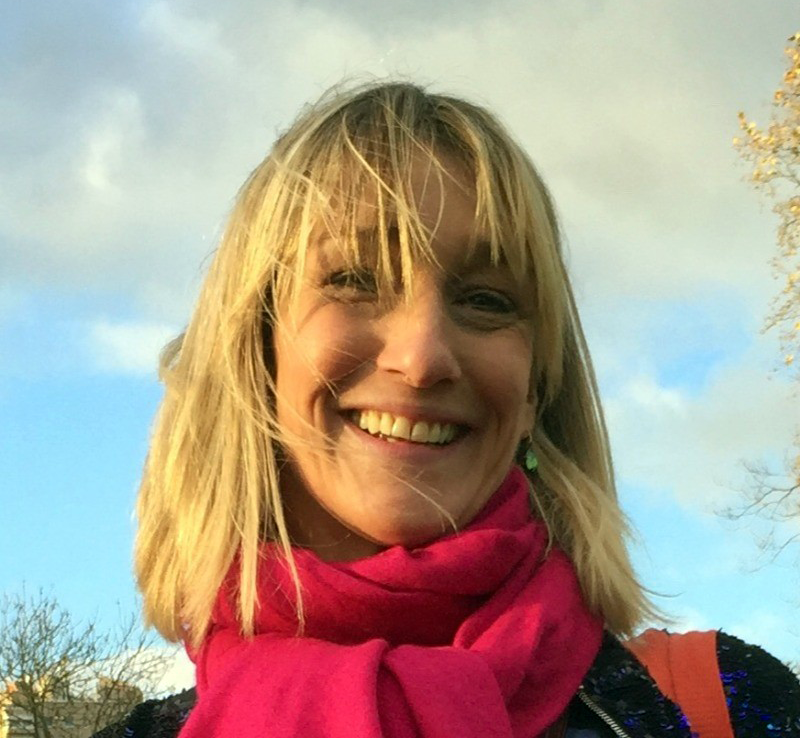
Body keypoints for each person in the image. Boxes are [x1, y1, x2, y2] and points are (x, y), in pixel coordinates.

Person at [94, 82, 800, 738]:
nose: (424, 355)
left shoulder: (728, 706)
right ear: (256, 350)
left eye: (486, 299)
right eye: (356, 280)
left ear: (535, 395)